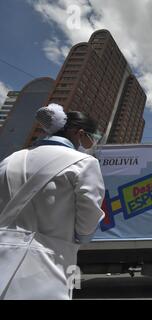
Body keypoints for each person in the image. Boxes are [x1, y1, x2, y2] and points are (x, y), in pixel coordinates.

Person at [0, 104, 105, 300]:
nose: (92, 143)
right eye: (93, 137)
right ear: (79, 133)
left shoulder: (10, 159)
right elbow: (88, 217)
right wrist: (79, 238)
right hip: (48, 260)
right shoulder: (84, 162)